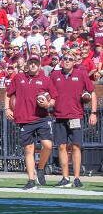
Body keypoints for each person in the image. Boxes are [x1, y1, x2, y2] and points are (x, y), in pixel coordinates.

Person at [5, 55, 57, 190]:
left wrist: (47, 104)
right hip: (24, 118)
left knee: (48, 145)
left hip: (41, 117)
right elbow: (8, 94)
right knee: (28, 149)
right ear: (27, 64)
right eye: (31, 63)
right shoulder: (19, 77)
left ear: (39, 65)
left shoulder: (46, 79)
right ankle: (31, 180)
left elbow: (54, 98)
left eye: (35, 63)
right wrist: (7, 108)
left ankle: (40, 168)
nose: (33, 65)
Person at [50, 51, 97, 188]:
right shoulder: (54, 75)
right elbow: (47, 93)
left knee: (76, 146)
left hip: (76, 116)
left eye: (70, 59)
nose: (67, 61)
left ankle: (76, 178)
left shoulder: (81, 74)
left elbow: (92, 92)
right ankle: (65, 177)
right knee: (61, 146)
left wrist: (93, 112)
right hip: (59, 116)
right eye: (65, 58)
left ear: (75, 61)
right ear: (61, 60)